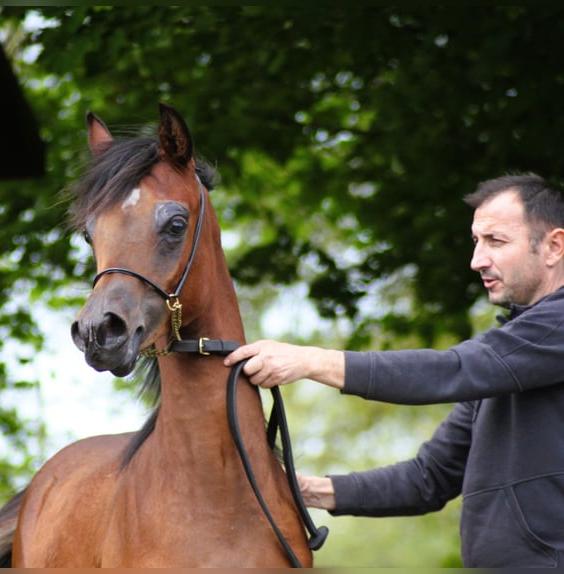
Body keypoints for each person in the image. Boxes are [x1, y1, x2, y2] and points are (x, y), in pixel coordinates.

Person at [224, 172, 564, 567]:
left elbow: (452, 369)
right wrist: (300, 491)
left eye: (496, 241)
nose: (476, 261)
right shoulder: (506, 362)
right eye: (476, 242)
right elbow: (428, 479)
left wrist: (310, 361)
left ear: (554, 246)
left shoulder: (535, 339)